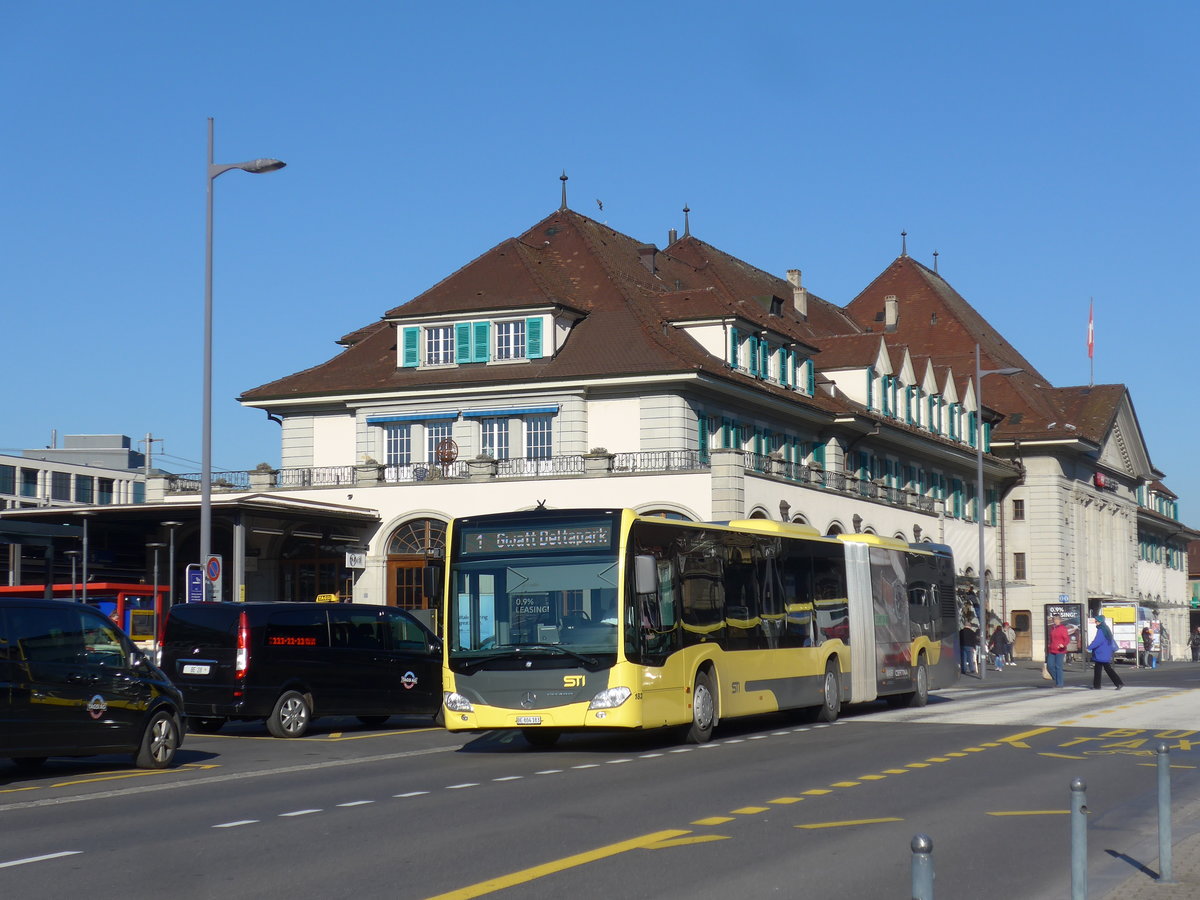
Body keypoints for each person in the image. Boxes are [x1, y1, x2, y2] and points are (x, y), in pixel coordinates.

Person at [1088, 614, 1125, 690]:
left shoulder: (1101, 630)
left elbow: (1097, 641)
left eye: (1097, 621)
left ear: (1100, 621)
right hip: (1105, 651)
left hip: (1101, 652)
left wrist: (1089, 647)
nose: (1096, 622)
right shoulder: (1106, 629)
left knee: (1105, 669)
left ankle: (1118, 683)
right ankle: (1098, 685)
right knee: (1100, 669)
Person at [1046, 614, 1070, 687]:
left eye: (1057, 619)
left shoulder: (1063, 628)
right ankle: (1057, 679)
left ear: (1060, 620)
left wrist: (1063, 644)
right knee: (1049, 666)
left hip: (1060, 650)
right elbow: (1051, 639)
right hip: (1052, 650)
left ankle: (1059, 683)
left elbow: (1067, 639)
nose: (1055, 621)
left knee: (1058, 666)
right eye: (1054, 619)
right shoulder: (1052, 628)